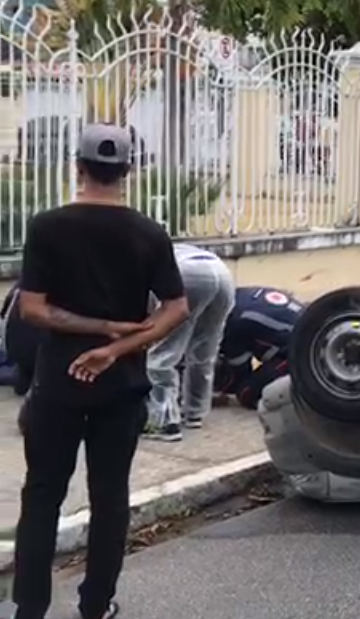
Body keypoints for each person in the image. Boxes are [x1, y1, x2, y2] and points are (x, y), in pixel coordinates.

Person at [12, 123, 190, 619]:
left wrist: (98, 334)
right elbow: (177, 308)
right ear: (127, 170)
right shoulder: (149, 232)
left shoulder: (47, 226)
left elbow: (33, 309)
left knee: (43, 493)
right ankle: (95, 606)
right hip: (121, 385)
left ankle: (29, 609)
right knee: (110, 497)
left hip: (57, 385)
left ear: (79, 167)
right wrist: (117, 346)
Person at [144, 244, 236, 441]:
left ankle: (163, 422)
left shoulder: (135, 262)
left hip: (187, 275)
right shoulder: (164, 246)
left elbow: (151, 318)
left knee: (162, 355)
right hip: (222, 273)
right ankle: (195, 413)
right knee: (205, 352)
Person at [216, 286, 303, 411]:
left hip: (301, 353)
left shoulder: (233, 322)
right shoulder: (240, 295)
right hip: (312, 331)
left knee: (246, 393)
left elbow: (238, 375)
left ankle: (304, 393)